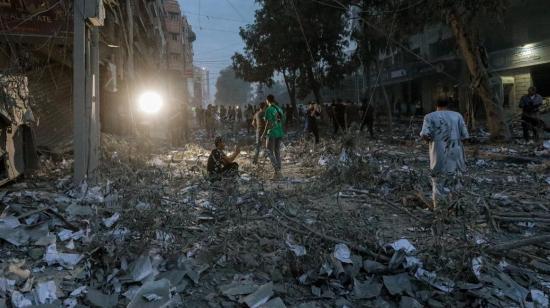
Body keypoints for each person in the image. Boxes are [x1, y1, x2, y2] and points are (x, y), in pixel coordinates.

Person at [420, 98, 469, 209]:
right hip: (456, 151)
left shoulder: (429, 116)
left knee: (438, 179)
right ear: (448, 105)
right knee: (456, 178)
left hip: (438, 151)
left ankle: (440, 208)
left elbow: (424, 134)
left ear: (436, 105)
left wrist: (431, 140)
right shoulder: (457, 116)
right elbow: (465, 136)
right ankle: (457, 207)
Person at [262, 94, 285, 178]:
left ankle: (277, 171)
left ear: (267, 100)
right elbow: (283, 120)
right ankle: (278, 172)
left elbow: (268, 123)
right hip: (280, 132)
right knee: (277, 152)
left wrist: (263, 134)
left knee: (269, 151)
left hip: (272, 133)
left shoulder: (269, 109)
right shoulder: (279, 109)